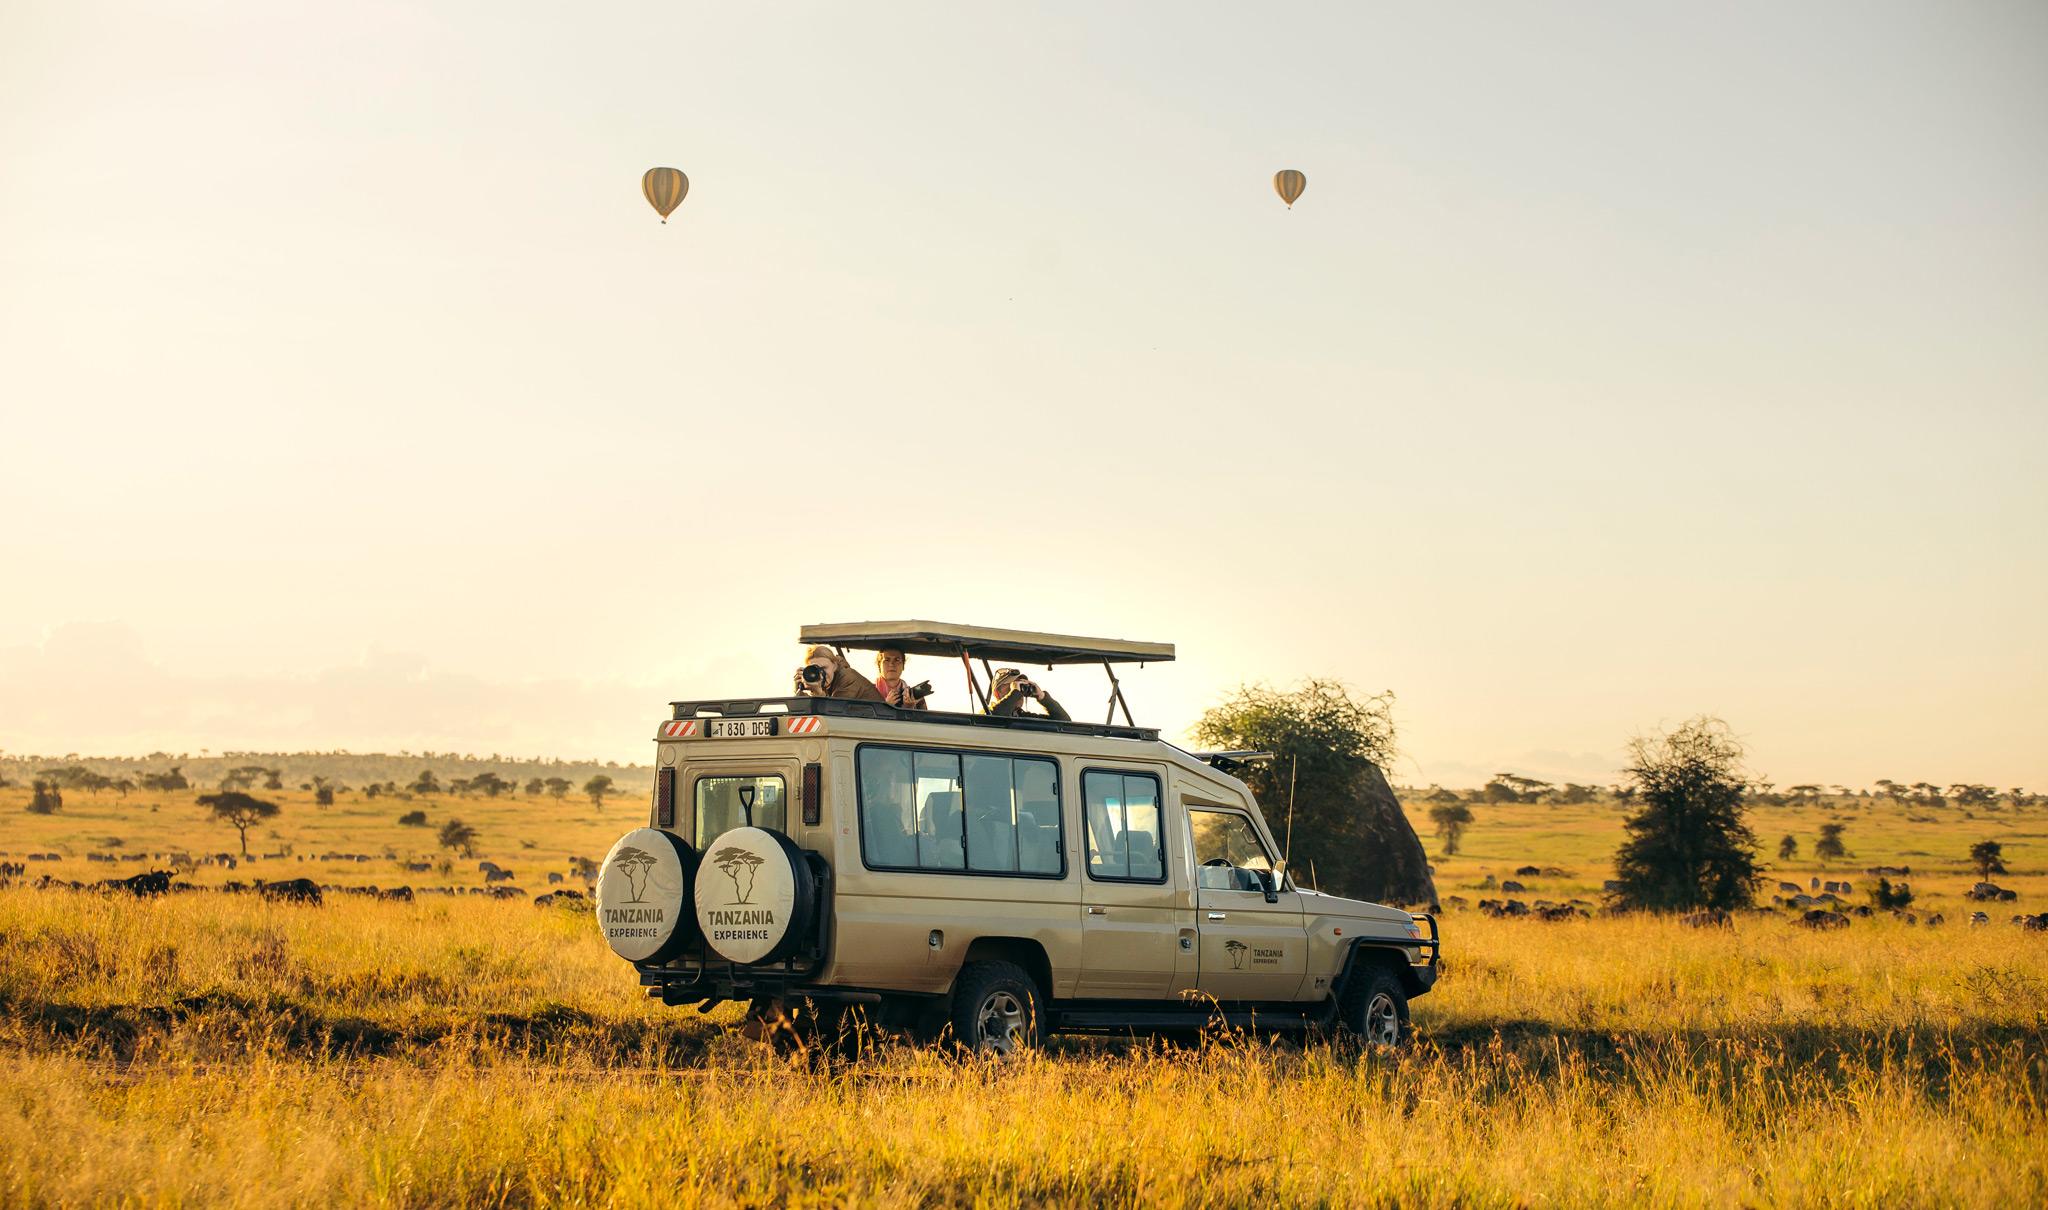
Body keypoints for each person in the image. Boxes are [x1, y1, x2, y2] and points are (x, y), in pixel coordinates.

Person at [792, 645, 886, 702]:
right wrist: (799, 689)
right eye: (815, 669)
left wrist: (818, 692)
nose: (821, 674)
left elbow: (833, 712)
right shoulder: (829, 681)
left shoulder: (848, 678)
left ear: (835, 665)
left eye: (824, 668)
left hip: (877, 725)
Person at [987, 667, 1071, 721]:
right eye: (1012, 687)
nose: (1019, 692)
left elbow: (1064, 722)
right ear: (997, 693)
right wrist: (1015, 693)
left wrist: (1043, 697)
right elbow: (992, 718)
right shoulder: (986, 713)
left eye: (1021, 687)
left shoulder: (1023, 717)